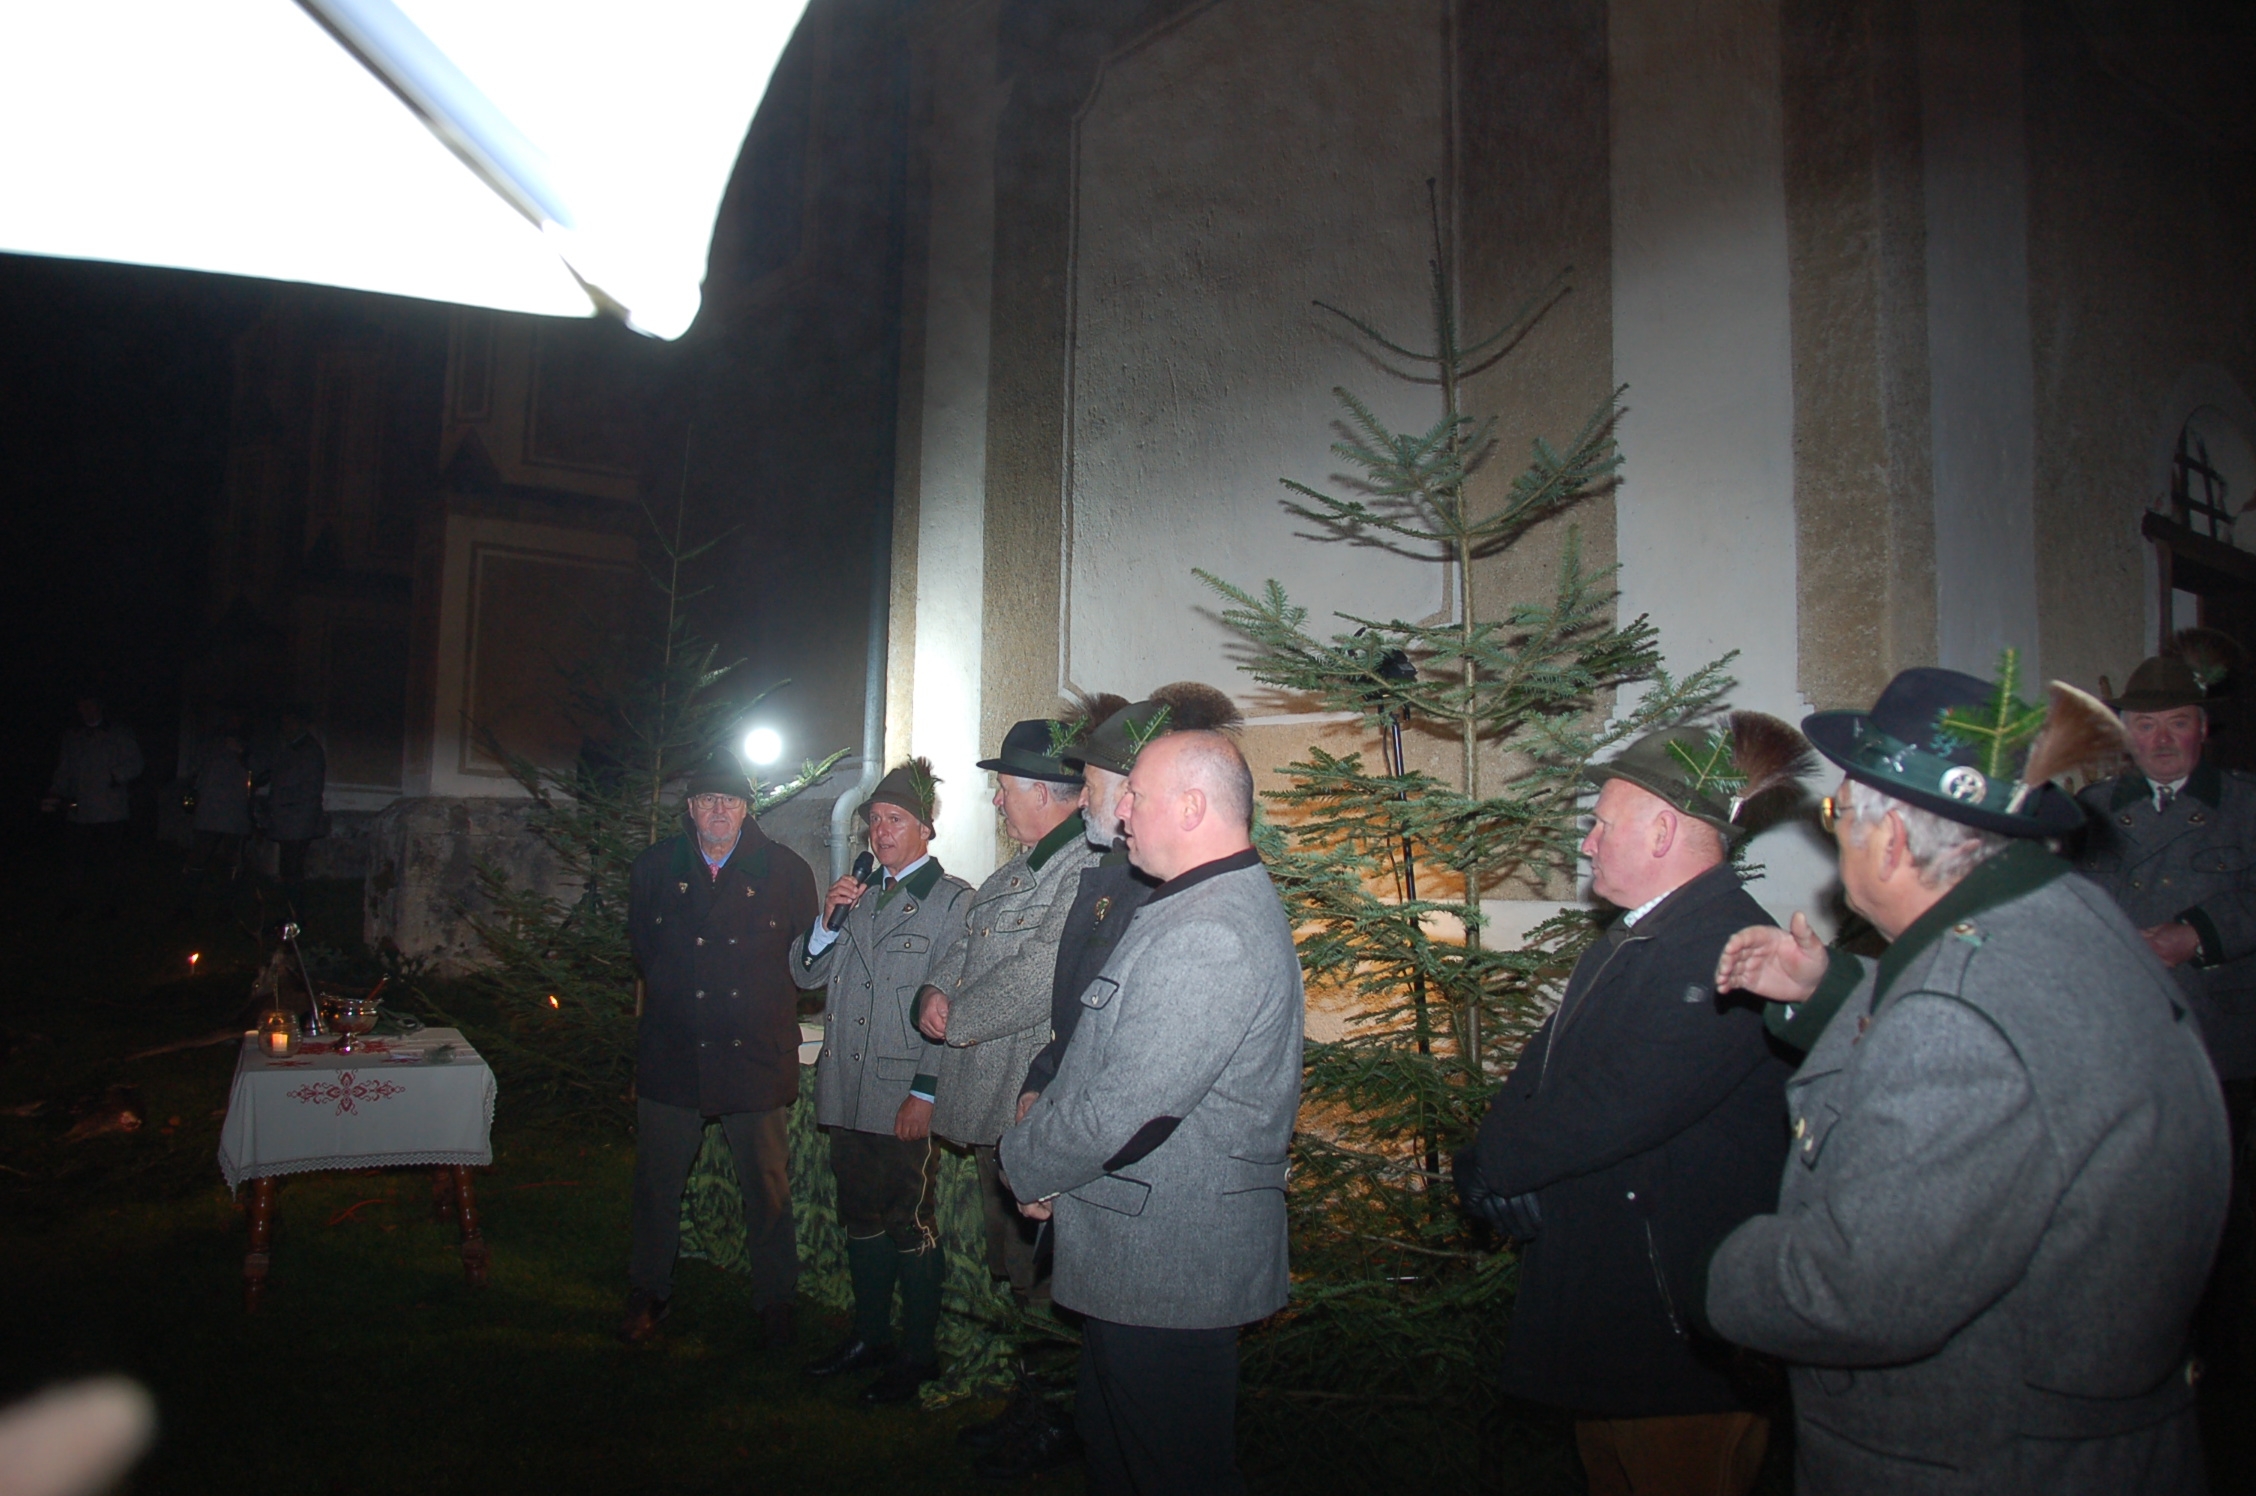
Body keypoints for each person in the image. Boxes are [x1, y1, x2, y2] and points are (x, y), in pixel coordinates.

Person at [1706, 664, 2229, 1493]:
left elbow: (1857, 1292)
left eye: (1838, 814)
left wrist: (1722, 1267)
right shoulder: (2062, 911)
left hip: (1983, 1457)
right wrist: (1829, 989)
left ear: (1892, 839)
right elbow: (2008, 1028)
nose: (1835, 834)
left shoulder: (1956, 1020)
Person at [1455, 715, 1810, 1496]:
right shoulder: (1636, 939)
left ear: (1663, 830)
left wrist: (1493, 1167)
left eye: (1602, 825)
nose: (1587, 844)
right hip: (1621, 1325)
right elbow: (1543, 1070)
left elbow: (1616, 1103)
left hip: (1680, 1338)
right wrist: (1487, 1160)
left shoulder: (1727, 946)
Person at [999, 730, 1302, 1496]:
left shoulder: (1210, 932)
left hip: (1170, 1271)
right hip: (1144, 1265)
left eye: (1137, 794)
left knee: (1174, 1472)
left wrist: (1025, 1160)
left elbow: (1129, 1112)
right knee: (1119, 1452)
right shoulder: (1189, 905)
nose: (1121, 810)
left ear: (1192, 808)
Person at [964, 684, 1241, 1482]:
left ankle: (1047, 1415)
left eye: (1091, 782)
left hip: (1154, 1224)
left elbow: (1137, 1081)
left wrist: (1036, 1152)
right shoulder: (1123, 878)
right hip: (1098, 1172)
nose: (1089, 799)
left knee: (1165, 1451)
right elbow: (1081, 1009)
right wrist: (1041, 1079)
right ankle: (1048, 1411)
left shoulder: (1187, 908)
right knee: (1118, 1425)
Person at [2076, 651, 2256, 1379]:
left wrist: (2198, 935)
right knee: (2125, 1200)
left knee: (2217, 1206)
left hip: (2217, 1036)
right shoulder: (2091, 809)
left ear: (2203, 728)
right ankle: (2134, 1347)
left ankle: (2219, 1361)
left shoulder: (2244, 806)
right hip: (2122, 1038)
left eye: (2177, 723)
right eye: (2145, 725)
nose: (2160, 740)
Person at [619, 759, 819, 1349]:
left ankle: (776, 1299)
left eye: (729, 802)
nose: (718, 812)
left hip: (753, 1056)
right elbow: (645, 952)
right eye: (707, 800)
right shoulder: (655, 868)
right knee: (656, 1186)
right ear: (690, 808)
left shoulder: (786, 870)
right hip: (675, 1052)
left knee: (767, 1188)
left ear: (746, 809)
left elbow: (806, 963)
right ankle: (648, 1290)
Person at [792, 758, 974, 1404]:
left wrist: (926, 1091)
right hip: (847, 1087)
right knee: (860, 1215)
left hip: (902, 1094)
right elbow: (806, 975)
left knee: (907, 1219)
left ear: (926, 828)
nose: (881, 831)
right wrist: (827, 919)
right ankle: (870, 1336)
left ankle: (918, 1353)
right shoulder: (859, 894)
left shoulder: (953, 903)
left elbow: (954, 1008)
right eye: (874, 820)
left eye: (896, 819)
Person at [918, 718, 1100, 1306]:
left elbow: (1039, 975)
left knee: (1041, 1270)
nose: (997, 802)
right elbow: (967, 944)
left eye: (1004, 789)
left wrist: (957, 1018)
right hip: (992, 1099)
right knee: (1012, 1260)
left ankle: (1042, 1361)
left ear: (1041, 793)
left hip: (1026, 1100)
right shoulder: (1018, 869)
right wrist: (932, 992)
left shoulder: (1082, 867)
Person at [42, 693, 141, 921]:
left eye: (89, 706)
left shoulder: (119, 733)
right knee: (75, 860)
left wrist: (114, 777)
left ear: (99, 707)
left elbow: (136, 763)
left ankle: (111, 905)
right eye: (81, 707)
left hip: (110, 809)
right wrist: (56, 792)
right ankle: (73, 903)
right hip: (80, 809)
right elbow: (65, 768)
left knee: (112, 860)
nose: (85, 711)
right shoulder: (73, 736)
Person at [257, 706, 326, 903]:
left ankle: (294, 913)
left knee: (293, 869)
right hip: (287, 819)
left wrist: (281, 801)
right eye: (284, 723)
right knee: (287, 868)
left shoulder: (309, 751)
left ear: (300, 724)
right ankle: (288, 910)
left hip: (299, 820)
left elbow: (310, 789)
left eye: (290, 722)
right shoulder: (288, 748)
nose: (285, 727)